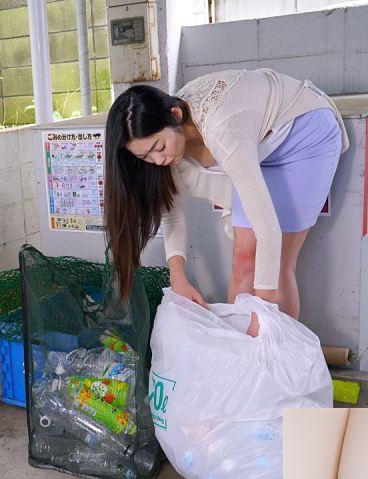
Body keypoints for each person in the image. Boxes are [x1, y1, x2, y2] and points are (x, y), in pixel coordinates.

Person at [103, 68, 349, 335]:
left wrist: (263, 314)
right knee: (244, 258)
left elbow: (268, 231)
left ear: (175, 115)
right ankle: (241, 347)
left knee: (277, 267)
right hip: (260, 145)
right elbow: (172, 213)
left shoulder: (224, 129)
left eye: (159, 148)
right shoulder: (168, 148)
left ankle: (276, 351)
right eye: (145, 157)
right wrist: (178, 277)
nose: (157, 161)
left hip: (303, 134)